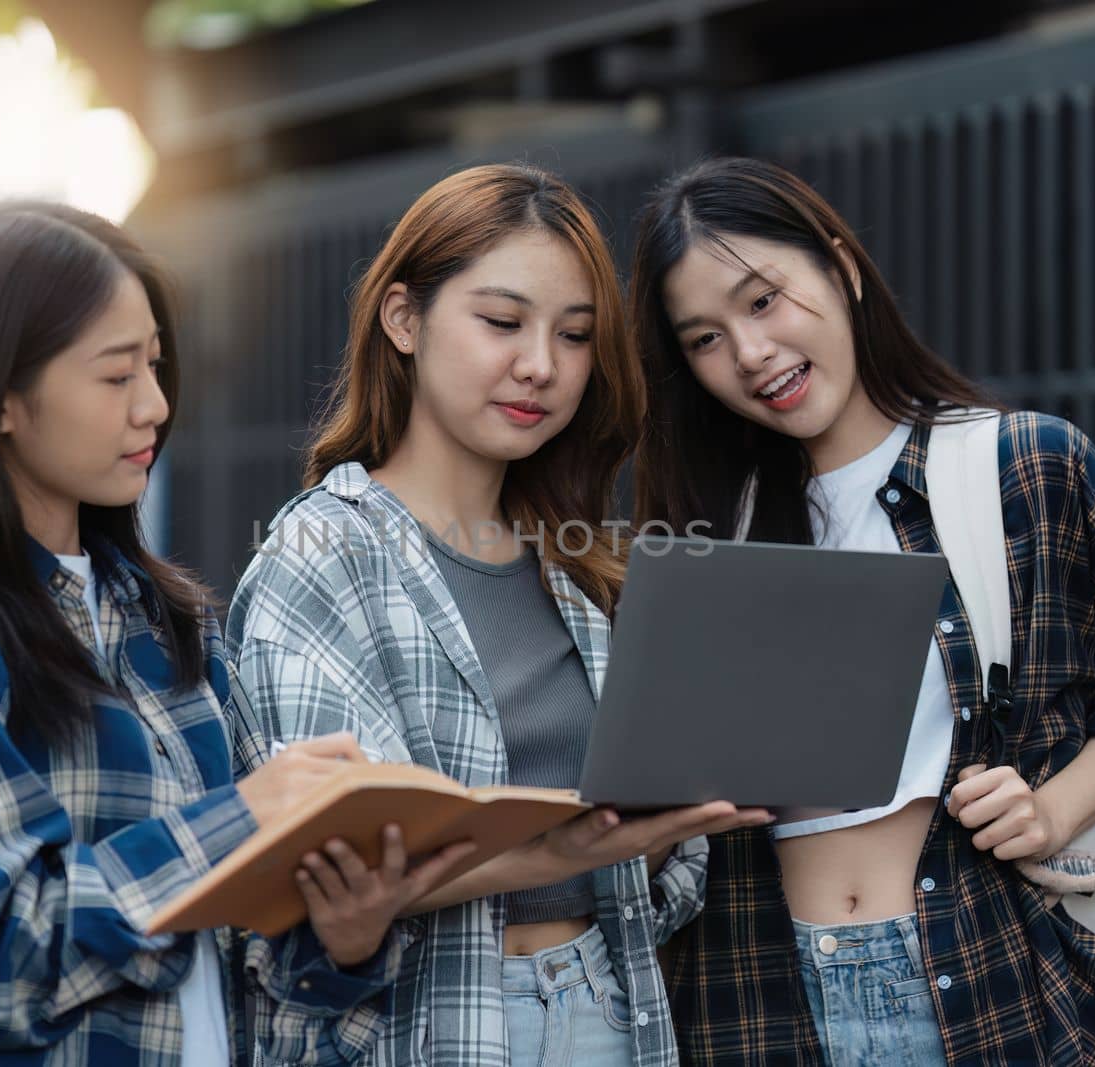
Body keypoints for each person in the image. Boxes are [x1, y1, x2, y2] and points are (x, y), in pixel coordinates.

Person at [0, 200, 469, 1066]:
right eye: (116, 376)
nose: (155, 405)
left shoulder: (167, 618)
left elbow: (248, 966)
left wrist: (345, 935)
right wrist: (241, 820)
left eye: (155, 365)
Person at [628, 157, 1095, 1066]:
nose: (748, 354)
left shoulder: (1026, 467)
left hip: (979, 982)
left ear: (843, 268)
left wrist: (1054, 809)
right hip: (754, 997)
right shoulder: (706, 531)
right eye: (703, 338)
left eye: (763, 300)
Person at [224, 163, 770, 1067]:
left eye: (576, 334)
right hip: (431, 1030)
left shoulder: (583, 566)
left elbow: (657, 870)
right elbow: (342, 854)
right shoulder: (321, 555)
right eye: (503, 322)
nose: (542, 366)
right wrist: (567, 850)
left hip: (610, 1006)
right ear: (404, 319)